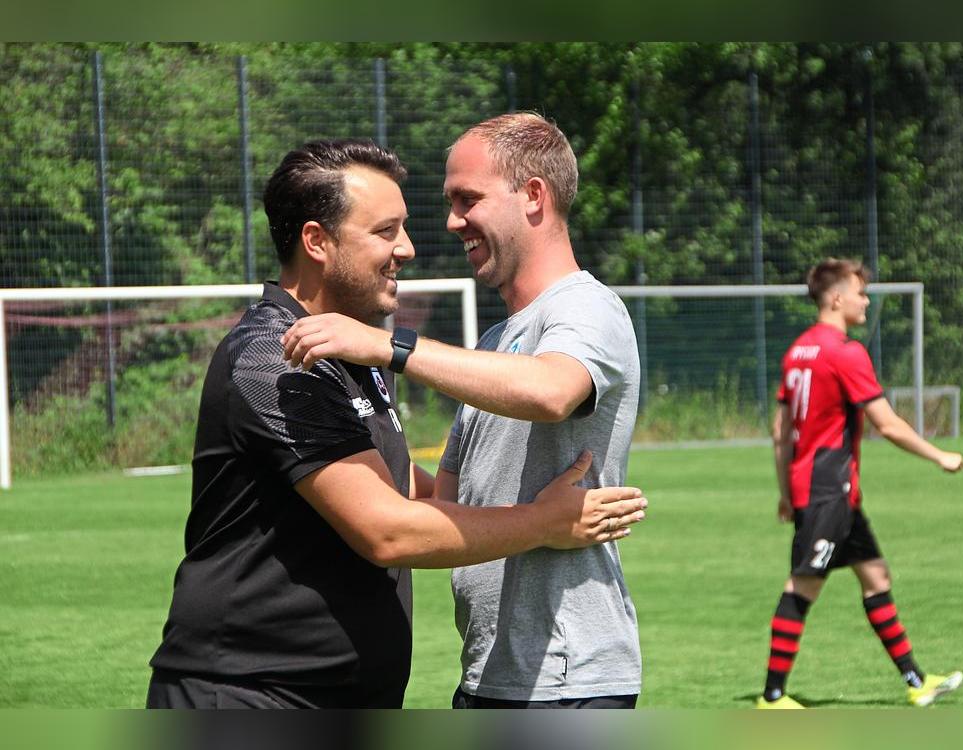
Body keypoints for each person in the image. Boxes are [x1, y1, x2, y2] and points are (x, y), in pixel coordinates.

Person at [146, 138, 648, 709]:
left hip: (380, 692)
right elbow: (388, 528)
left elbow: (416, 489)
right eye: (386, 231)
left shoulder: (352, 351)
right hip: (252, 695)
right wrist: (543, 521)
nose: (409, 247)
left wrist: (388, 350)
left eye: (466, 200)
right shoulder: (275, 358)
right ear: (316, 241)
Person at [282, 113, 642, 708]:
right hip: (488, 676)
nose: (452, 221)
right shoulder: (495, 344)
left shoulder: (586, 308)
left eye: (467, 199)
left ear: (533, 195)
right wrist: (325, 463)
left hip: (564, 679)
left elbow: (552, 392)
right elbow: (446, 502)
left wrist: (389, 346)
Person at [756, 258, 963, 709]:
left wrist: (785, 491)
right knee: (803, 585)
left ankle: (916, 681)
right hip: (828, 489)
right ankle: (772, 696)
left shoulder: (798, 351)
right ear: (836, 298)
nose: (866, 301)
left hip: (827, 490)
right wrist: (940, 456)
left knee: (875, 575)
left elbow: (779, 431)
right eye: (860, 292)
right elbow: (886, 424)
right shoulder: (845, 352)